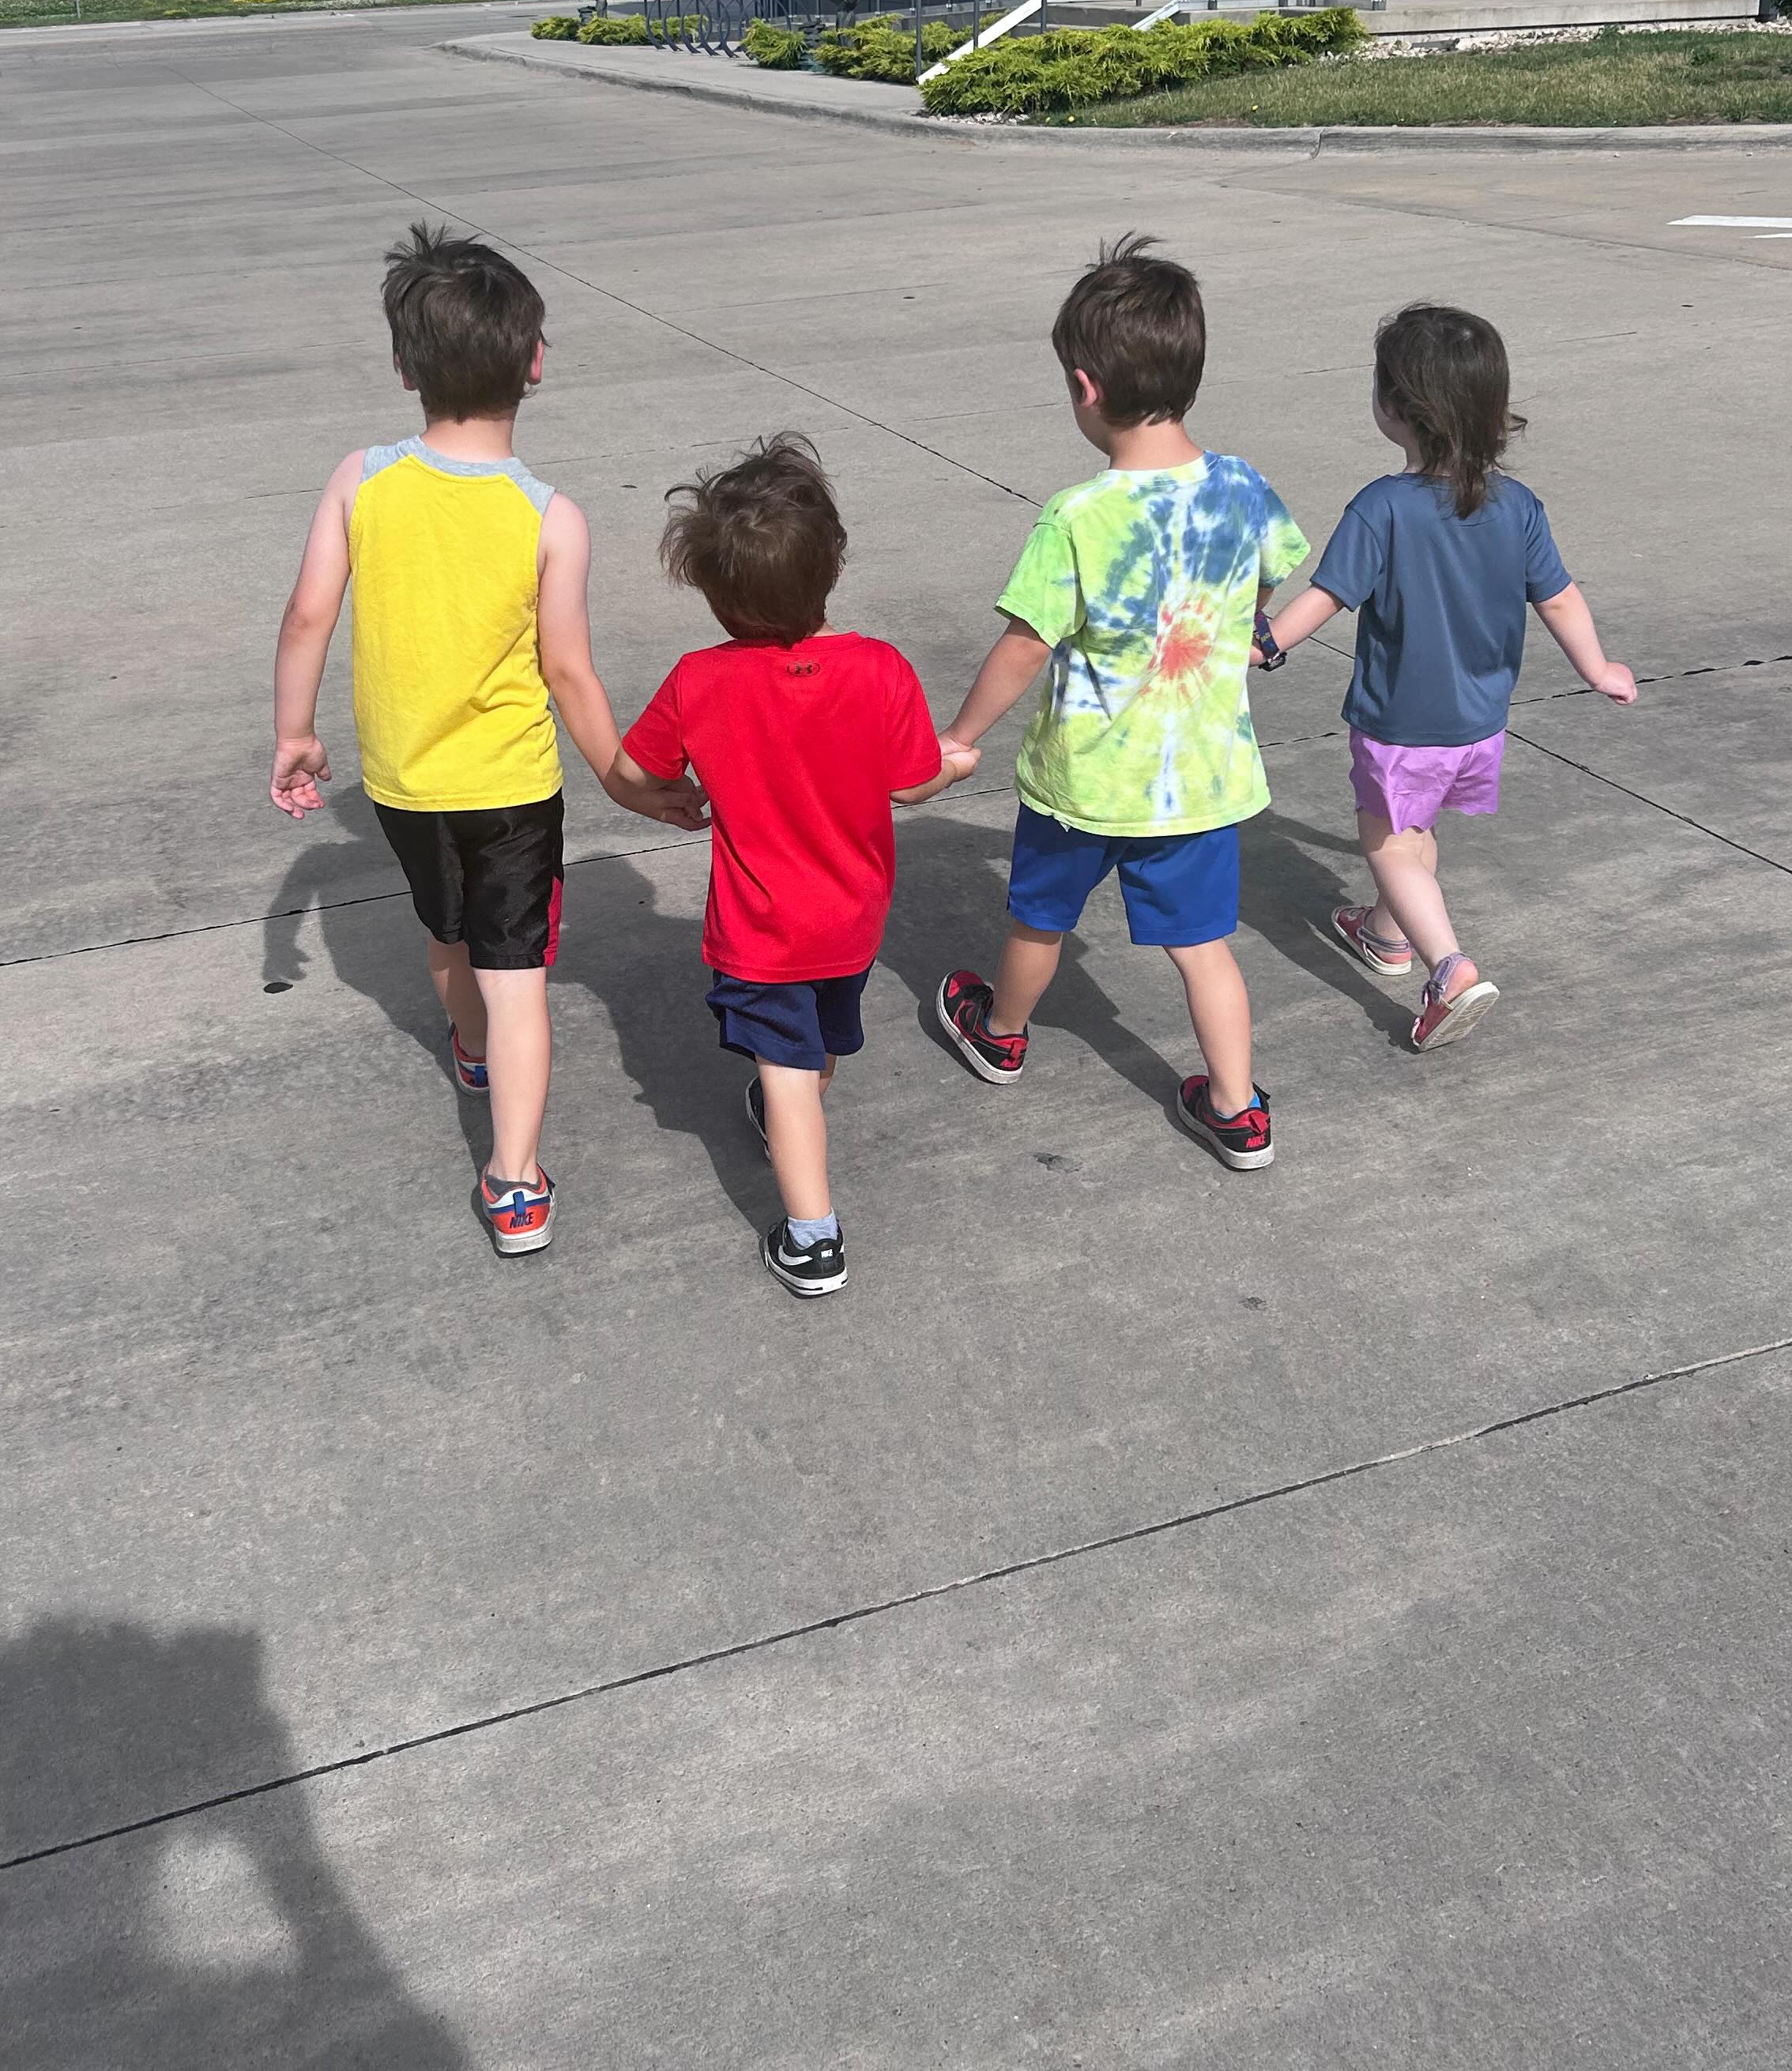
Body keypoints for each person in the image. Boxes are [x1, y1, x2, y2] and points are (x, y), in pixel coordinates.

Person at [269, 222, 702, 1255]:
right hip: (510, 789)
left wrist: (295, 732)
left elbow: (308, 614)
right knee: (520, 979)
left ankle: (466, 1046)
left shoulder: (360, 478)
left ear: (404, 366)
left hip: (403, 784)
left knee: (444, 933)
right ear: (535, 361)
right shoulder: (551, 518)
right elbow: (568, 673)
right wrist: (625, 780)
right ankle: (515, 1182)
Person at [934, 235, 1308, 1170]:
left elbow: (1027, 645)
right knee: (1205, 947)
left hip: (1085, 782)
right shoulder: (1242, 486)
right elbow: (1269, 574)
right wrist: (1244, 624)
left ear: (1085, 387)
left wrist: (961, 736)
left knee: (1039, 919)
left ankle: (1001, 1032)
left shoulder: (1079, 517)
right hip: (1199, 782)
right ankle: (1237, 1109)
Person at [613, 435, 976, 1297]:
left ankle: (813, 1239)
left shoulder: (699, 681)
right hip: (851, 918)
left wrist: (666, 798)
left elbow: (632, 771)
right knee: (813, 1050)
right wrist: (955, 764)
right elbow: (912, 783)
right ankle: (794, 1111)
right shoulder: (880, 668)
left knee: (782, 1066)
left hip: (761, 927)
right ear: (832, 565)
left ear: (713, 593)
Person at [1262, 300, 1636, 1051]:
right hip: (1479, 723)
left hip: (1402, 722)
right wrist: (1597, 668)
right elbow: (1559, 597)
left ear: (1394, 407)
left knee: (1390, 844)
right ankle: (1385, 932)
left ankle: (1449, 970)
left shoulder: (1382, 507)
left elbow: (1328, 597)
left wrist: (1265, 644)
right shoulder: (1517, 506)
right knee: (1417, 828)